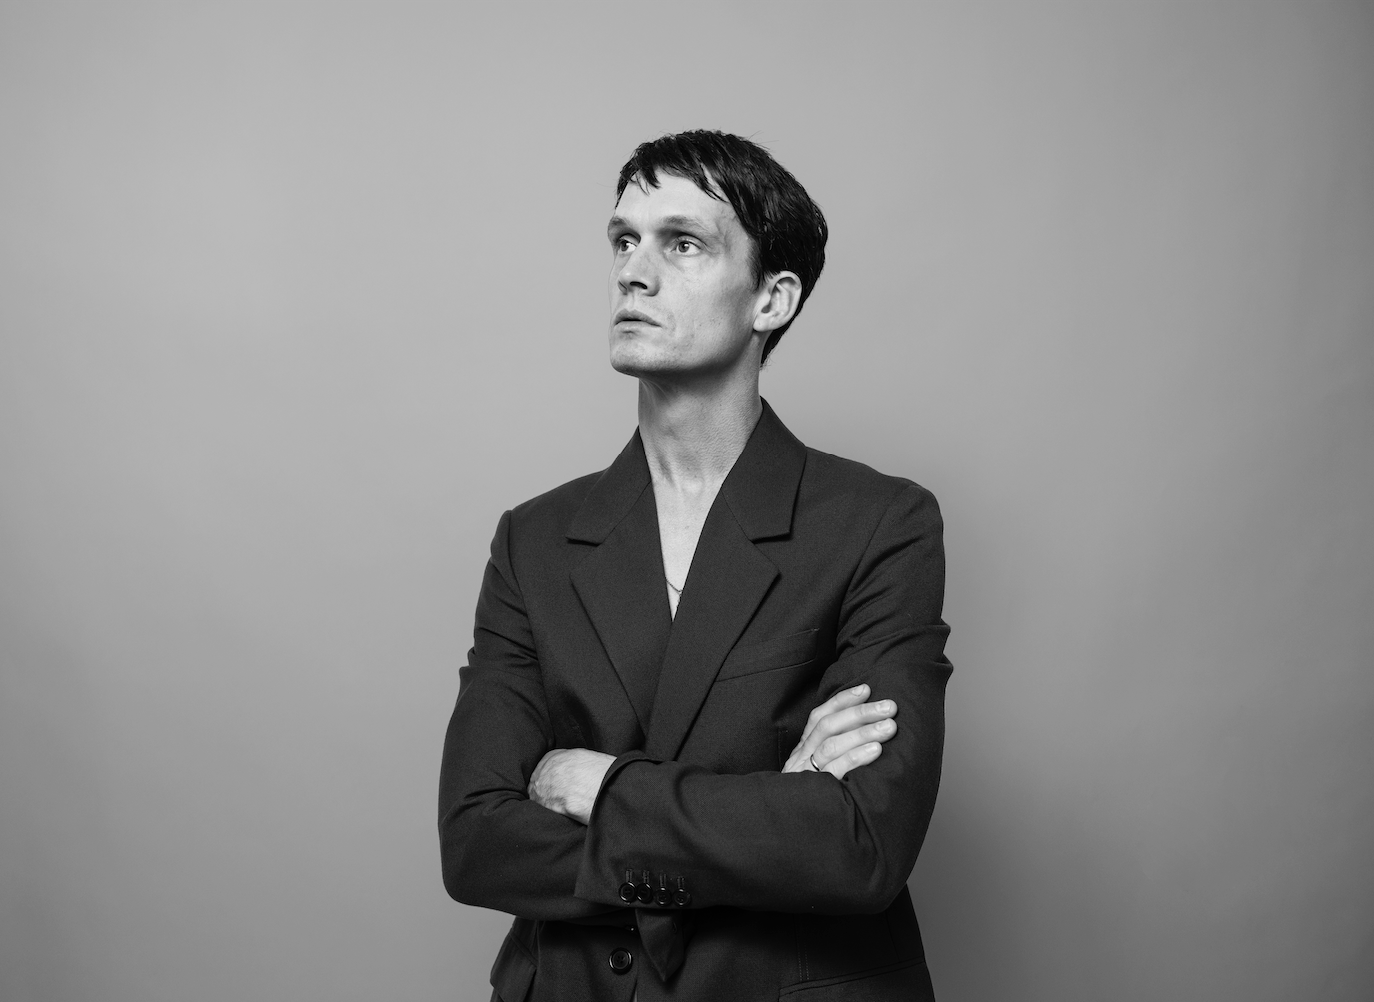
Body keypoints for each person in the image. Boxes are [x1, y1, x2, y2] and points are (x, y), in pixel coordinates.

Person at [439, 130, 951, 1001]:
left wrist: (603, 786)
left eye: (682, 244)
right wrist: (769, 817)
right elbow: (478, 843)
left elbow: (859, 843)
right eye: (623, 240)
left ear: (772, 299)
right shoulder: (534, 540)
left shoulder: (880, 524)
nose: (633, 273)